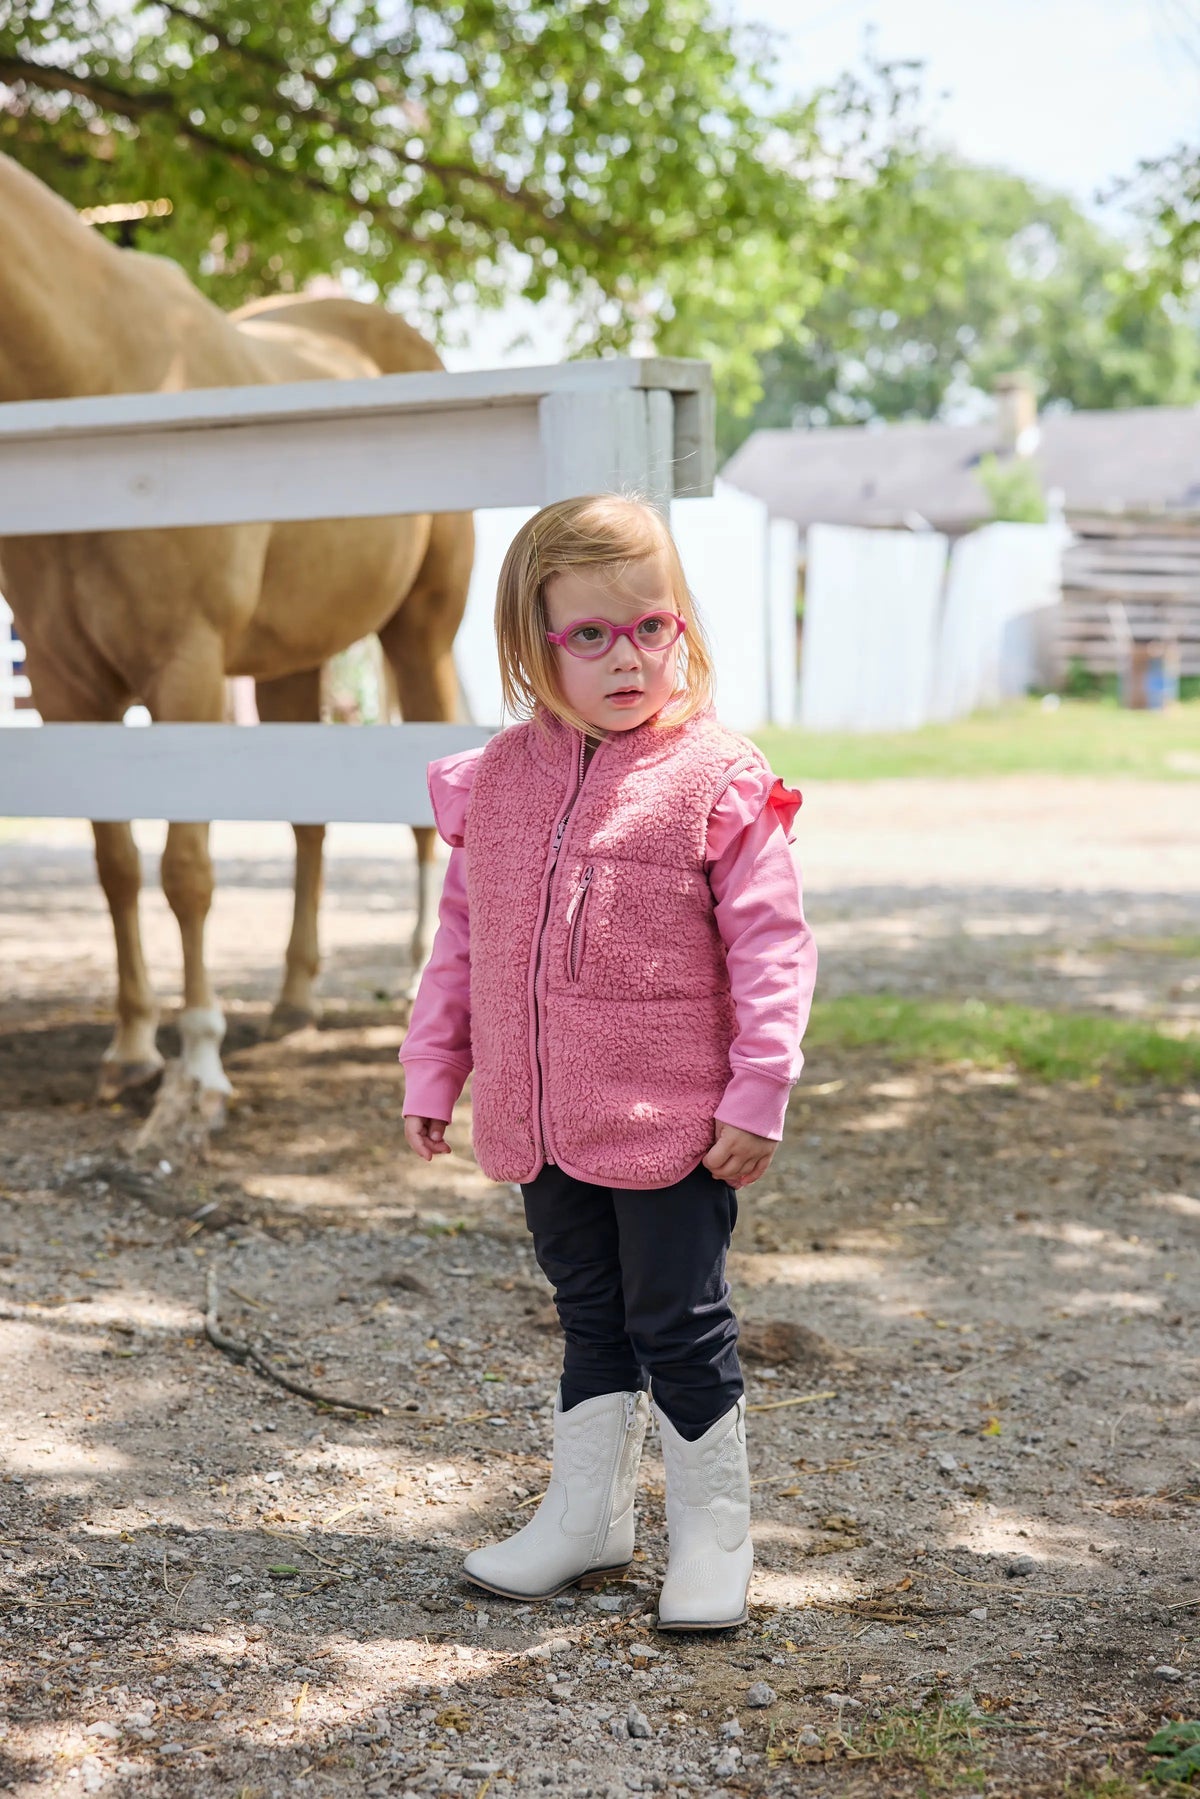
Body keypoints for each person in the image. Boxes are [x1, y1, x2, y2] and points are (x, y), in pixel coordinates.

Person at [400, 493, 816, 1631]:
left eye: (651, 625)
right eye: (591, 634)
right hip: (545, 1114)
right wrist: (435, 1067)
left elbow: (776, 948)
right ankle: (587, 1518)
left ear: (681, 624)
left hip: (673, 1119)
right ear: (536, 649)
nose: (627, 655)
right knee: (587, 1310)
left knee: (676, 1316)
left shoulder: (715, 780)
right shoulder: (497, 782)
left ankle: (712, 1534)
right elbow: (463, 943)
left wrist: (759, 1090)